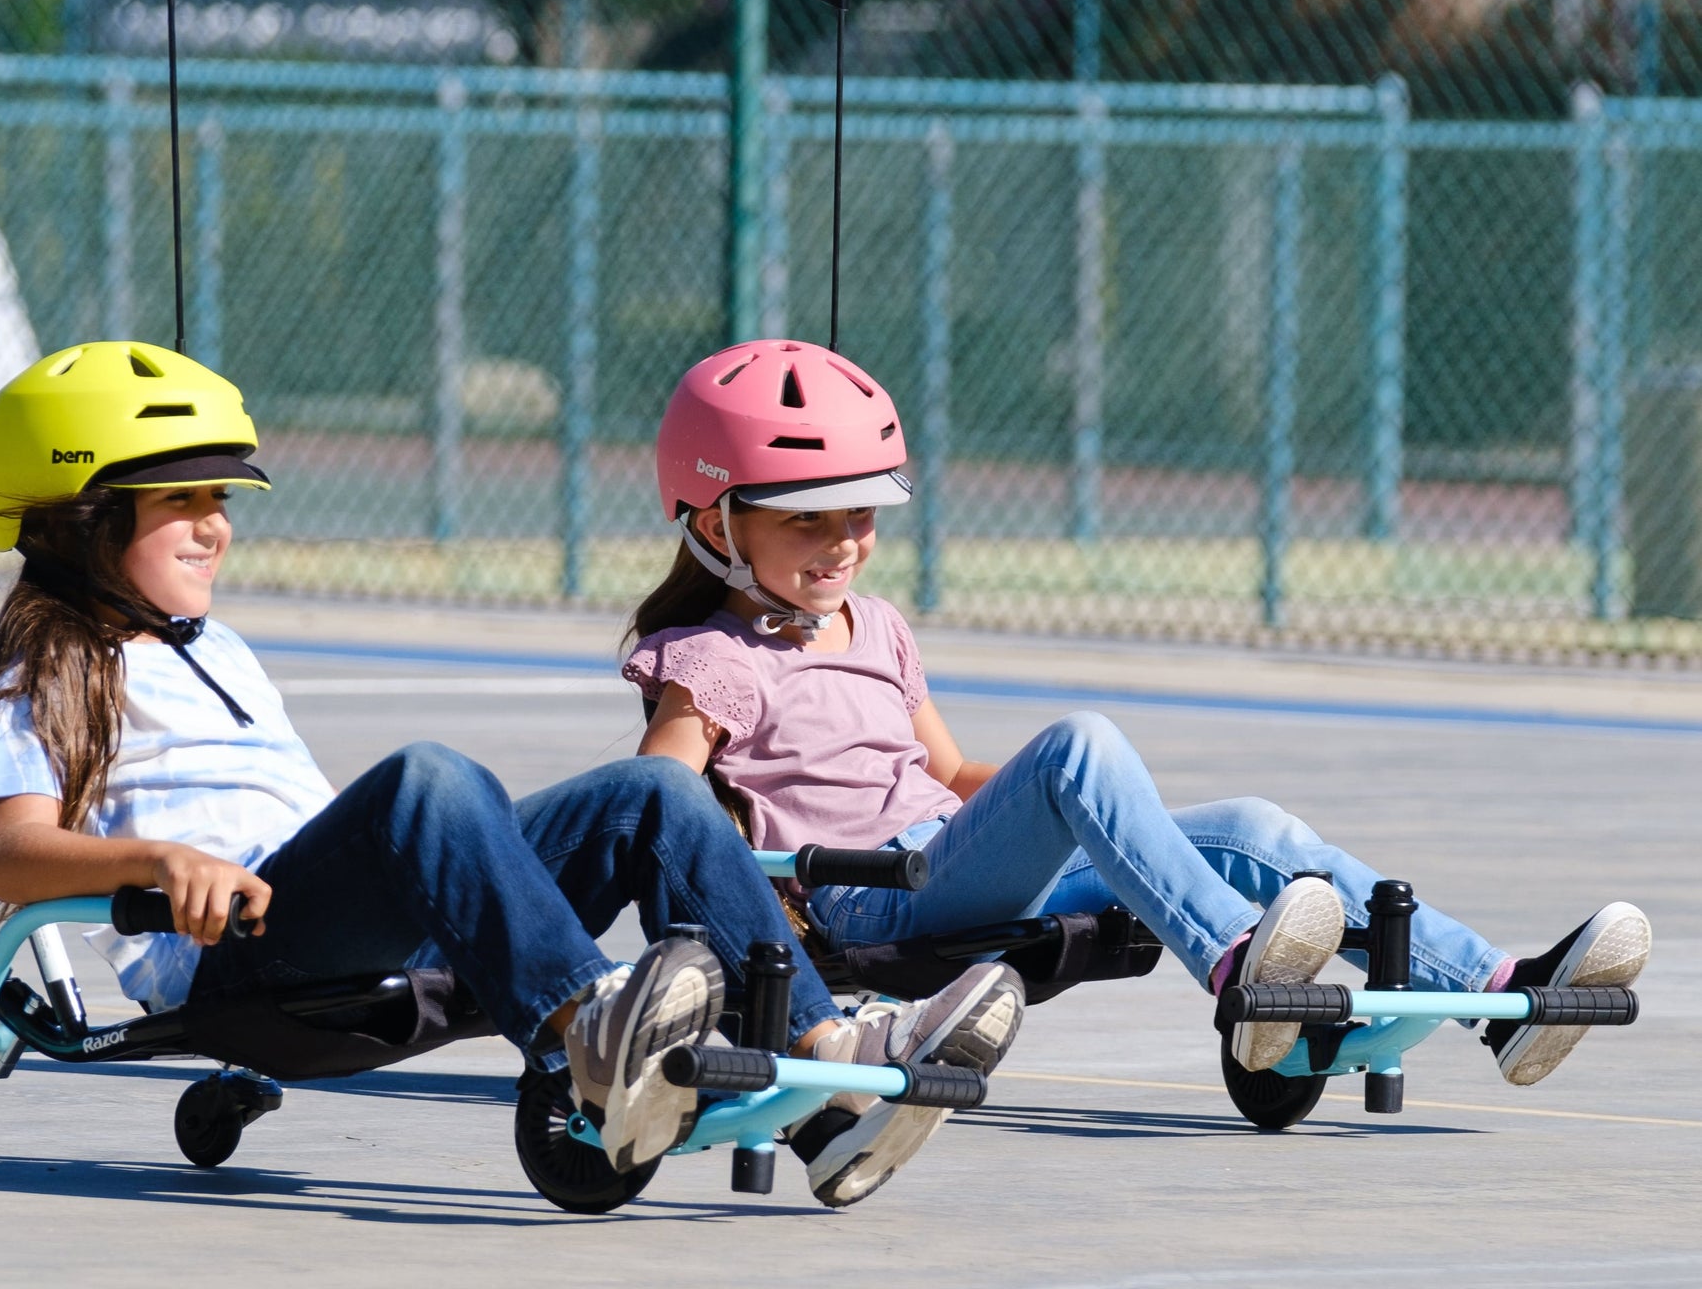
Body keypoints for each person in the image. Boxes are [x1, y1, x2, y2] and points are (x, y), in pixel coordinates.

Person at [0, 340, 1019, 1208]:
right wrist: (159, 859)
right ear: (80, 521)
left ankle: (826, 1074)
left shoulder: (215, 646)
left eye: (222, 502)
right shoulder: (43, 675)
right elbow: (12, 853)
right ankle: (594, 1032)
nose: (214, 529)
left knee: (655, 793)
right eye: (181, 504)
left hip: (361, 929)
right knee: (429, 780)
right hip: (243, 965)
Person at [623, 338, 1651, 1087]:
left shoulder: (875, 625)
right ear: (716, 517)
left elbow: (946, 775)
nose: (844, 541)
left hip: (948, 848)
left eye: (861, 513)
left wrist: (1116, 817)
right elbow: (658, 809)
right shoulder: (712, 661)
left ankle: (1496, 989)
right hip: (868, 895)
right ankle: (1236, 968)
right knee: (1080, 743)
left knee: (1244, 826)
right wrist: (767, 896)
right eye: (808, 518)